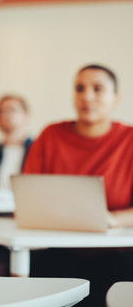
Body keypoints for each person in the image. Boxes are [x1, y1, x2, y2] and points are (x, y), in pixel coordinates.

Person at [23, 64, 133, 307]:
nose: (87, 96)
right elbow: (28, 194)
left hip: (117, 254)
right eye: (80, 88)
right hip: (56, 250)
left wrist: (115, 218)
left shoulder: (130, 140)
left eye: (98, 89)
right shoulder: (51, 135)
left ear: (116, 99)